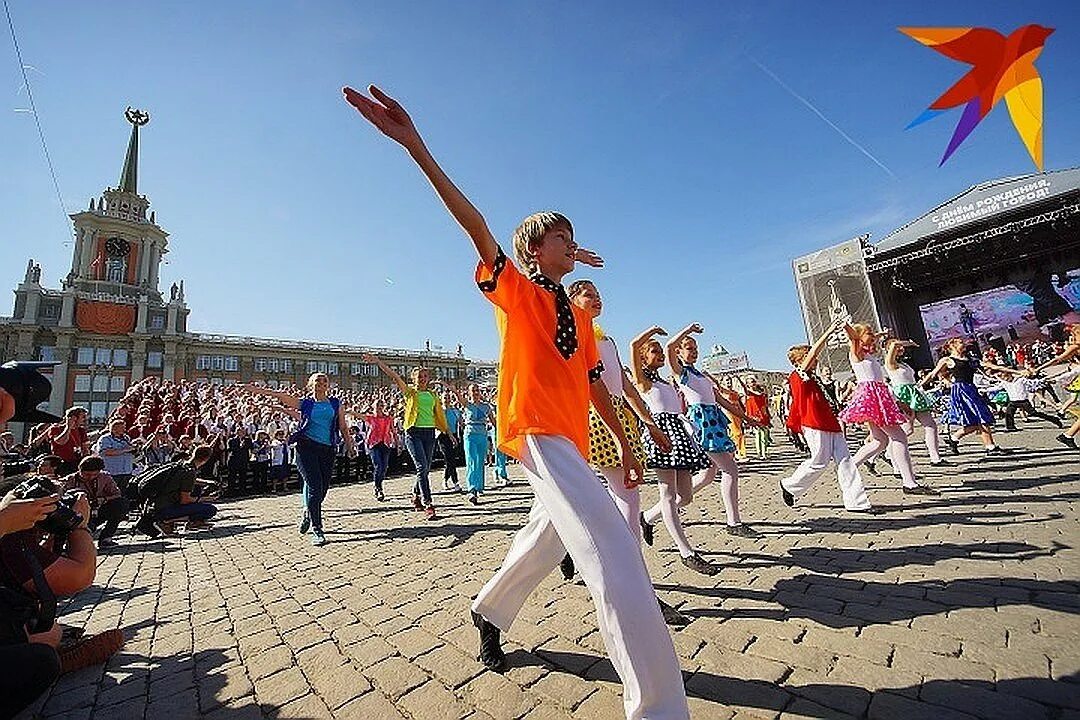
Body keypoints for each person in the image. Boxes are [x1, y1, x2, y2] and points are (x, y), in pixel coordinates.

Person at [344, 84, 690, 719]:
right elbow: (477, 226)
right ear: (535, 250)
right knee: (612, 547)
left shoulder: (578, 316)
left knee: (547, 539)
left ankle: (488, 609)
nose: (573, 244)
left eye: (574, 239)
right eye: (562, 238)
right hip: (533, 430)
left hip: (574, 441)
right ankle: (660, 707)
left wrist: (635, 443)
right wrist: (417, 147)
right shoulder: (518, 293)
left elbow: (594, 387)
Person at [632, 327, 721, 575]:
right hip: (661, 435)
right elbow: (632, 345)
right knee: (668, 495)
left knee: (686, 496)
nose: (660, 354)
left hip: (679, 434)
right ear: (642, 358)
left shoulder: (663, 380)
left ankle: (647, 518)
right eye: (654, 351)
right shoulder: (643, 381)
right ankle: (686, 552)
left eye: (660, 351)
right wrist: (649, 333)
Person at [661, 323, 762, 538]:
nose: (694, 350)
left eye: (696, 347)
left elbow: (719, 400)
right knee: (730, 470)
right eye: (689, 347)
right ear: (680, 351)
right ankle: (733, 522)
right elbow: (669, 346)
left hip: (714, 421)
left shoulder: (700, 374)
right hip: (701, 425)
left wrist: (747, 418)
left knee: (708, 476)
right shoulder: (681, 373)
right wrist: (687, 331)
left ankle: (650, 516)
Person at [247, 375, 355, 544]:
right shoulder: (306, 403)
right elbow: (281, 396)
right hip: (306, 448)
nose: (321, 384)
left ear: (328, 385)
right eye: (317, 381)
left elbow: (342, 426)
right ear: (311, 384)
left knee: (323, 488)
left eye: (324, 381)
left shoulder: (335, 404)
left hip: (327, 449)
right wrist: (258, 390)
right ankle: (317, 529)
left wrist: (350, 445)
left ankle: (308, 511)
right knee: (314, 486)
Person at [779, 319, 873, 512]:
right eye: (806, 356)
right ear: (798, 361)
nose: (814, 359)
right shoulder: (797, 375)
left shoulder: (814, 378)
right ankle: (790, 485)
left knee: (845, 460)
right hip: (812, 423)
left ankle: (857, 502)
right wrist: (829, 330)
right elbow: (815, 351)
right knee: (819, 462)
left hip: (829, 421)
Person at [839, 323, 937, 494]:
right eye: (869, 333)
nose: (873, 336)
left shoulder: (867, 353)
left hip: (878, 396)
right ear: (859, 336)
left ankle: (848, 467)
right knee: (899, 436)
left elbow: (868, 338)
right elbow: (855, 337)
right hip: (871, 397)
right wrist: (846, 325)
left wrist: (879, 334)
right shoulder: (857, 353)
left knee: (880, 441)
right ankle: (909, 483)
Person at [365, 355, 452, 520]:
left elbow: (439, 415)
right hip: (413, 433)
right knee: (421, 467)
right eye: (419, 376)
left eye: (425, 376)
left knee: (425, 468)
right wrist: (378, 361)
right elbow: (394, 375)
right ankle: (428, 504)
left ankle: (415, 493)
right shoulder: (410, 392)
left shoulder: (433, 395)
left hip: (429, 433)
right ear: (414, 379)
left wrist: (447, 432)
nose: (423, 379)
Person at [922, 337, 1020, 455]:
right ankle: (990, 447)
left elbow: (993, 366)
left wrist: (1018, 372)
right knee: (980, 418)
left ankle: (954, 439)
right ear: (951, 346)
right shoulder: (947, 360)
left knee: (975, 422)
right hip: (961, 391)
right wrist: (919, 385)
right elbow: (933, 374)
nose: (964, 344)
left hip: (971, 389)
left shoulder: (970, 359)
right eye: (960, 343)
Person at [884, 339, 946, 467]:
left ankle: (935, 457)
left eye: (902, 346)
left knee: (930, 425)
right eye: (898, 346)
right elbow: (894, 345)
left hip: (914, 394)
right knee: (906, 430)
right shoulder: (890, 363)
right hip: (903, 396)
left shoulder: (904, 364)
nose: (901, 348)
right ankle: (889, 454)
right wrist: (910, 343)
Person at [136, 445, 218, 537]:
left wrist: (206, 483)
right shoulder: (189, 472)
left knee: (197, 489)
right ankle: (166, 522)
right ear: (206, 460)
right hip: (164, 510)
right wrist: (206, 498)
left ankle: (191, 522)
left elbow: (188, 480)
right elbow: (185, 500)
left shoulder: (181, 465)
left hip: (156, 506)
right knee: (210, 510)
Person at [62, 456, 129, 547]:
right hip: (80, 514)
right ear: (80, 470)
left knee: (121, 503)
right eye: (86, 475)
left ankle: (106, 538)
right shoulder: (69, 480)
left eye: (94, 475)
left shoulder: (105, 477)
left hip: (99, 510)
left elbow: (117, 494)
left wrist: (104, 499)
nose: (90, 477)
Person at [1033, 324, 1080, 448]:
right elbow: (1057, 360)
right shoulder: (1075, 347)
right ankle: (1067, 435)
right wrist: (1038, 368)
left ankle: (1067, 435)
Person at [450, 384, 492, 505]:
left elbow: (493, 421)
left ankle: (479, 486)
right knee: (471, 460)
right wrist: (452, 389)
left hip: (482, 435)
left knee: (480, 461)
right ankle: (472, 489)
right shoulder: (467, 404)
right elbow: (458, 396)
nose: (475, 392)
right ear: (469, 392)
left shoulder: (486, 407)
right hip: (470, 435)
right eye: (473, 390)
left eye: (477, 390)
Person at [94, 419, 138, 500]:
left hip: (126, 472)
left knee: (123, 494)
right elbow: (106, 452)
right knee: (111, 494)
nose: (124, 429)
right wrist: (125, 449)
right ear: (115, 428)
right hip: (113, 472)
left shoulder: (126, 438)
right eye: (122, 428)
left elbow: (131, 450)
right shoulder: (105, 439)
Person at [363, 399, 397, 502]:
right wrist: (348, 411)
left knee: (384, 467)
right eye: (378, 405)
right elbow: (358, 415)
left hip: (385, 444)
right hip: (374, 444)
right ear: (374, 406)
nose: (380, 406)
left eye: (381, 405)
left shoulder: (388, 418)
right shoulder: (371, 417)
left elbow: (393, 431)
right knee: (378, 465)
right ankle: (378, 488)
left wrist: (397, 443)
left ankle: (379, 484)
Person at [47, 407, 90, 476]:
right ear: (74, 418)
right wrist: (68, 427)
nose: (85, 419)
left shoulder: (81, 430)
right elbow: (61, 442)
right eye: (83, 417)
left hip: (76, 462)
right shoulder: (56, 428)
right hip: (62, 464)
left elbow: (85, 448)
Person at [439, 391, 463, 492]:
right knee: (449, 459)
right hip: (443, 436)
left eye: (448, 397)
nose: (447, 399)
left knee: (451, 460)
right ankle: (455, 481)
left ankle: (445, 479)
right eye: (445, 397)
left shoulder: (455, 411)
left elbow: (460, 422)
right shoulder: (440, 411)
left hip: (454, 436)